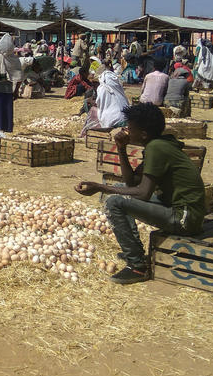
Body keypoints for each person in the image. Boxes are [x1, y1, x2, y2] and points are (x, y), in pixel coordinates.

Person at [75, 103, 205, 284]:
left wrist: (100, 187)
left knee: (114, 202)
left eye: (129, 128)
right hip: (182, 209)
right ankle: (135, 252)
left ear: (143, 134)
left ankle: (137, 266)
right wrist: (121, 148)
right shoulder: (159, 144)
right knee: (121, 190)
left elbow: (143, 193)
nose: (126, 130)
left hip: (185, 217)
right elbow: (131, 183)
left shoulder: (157, 148)